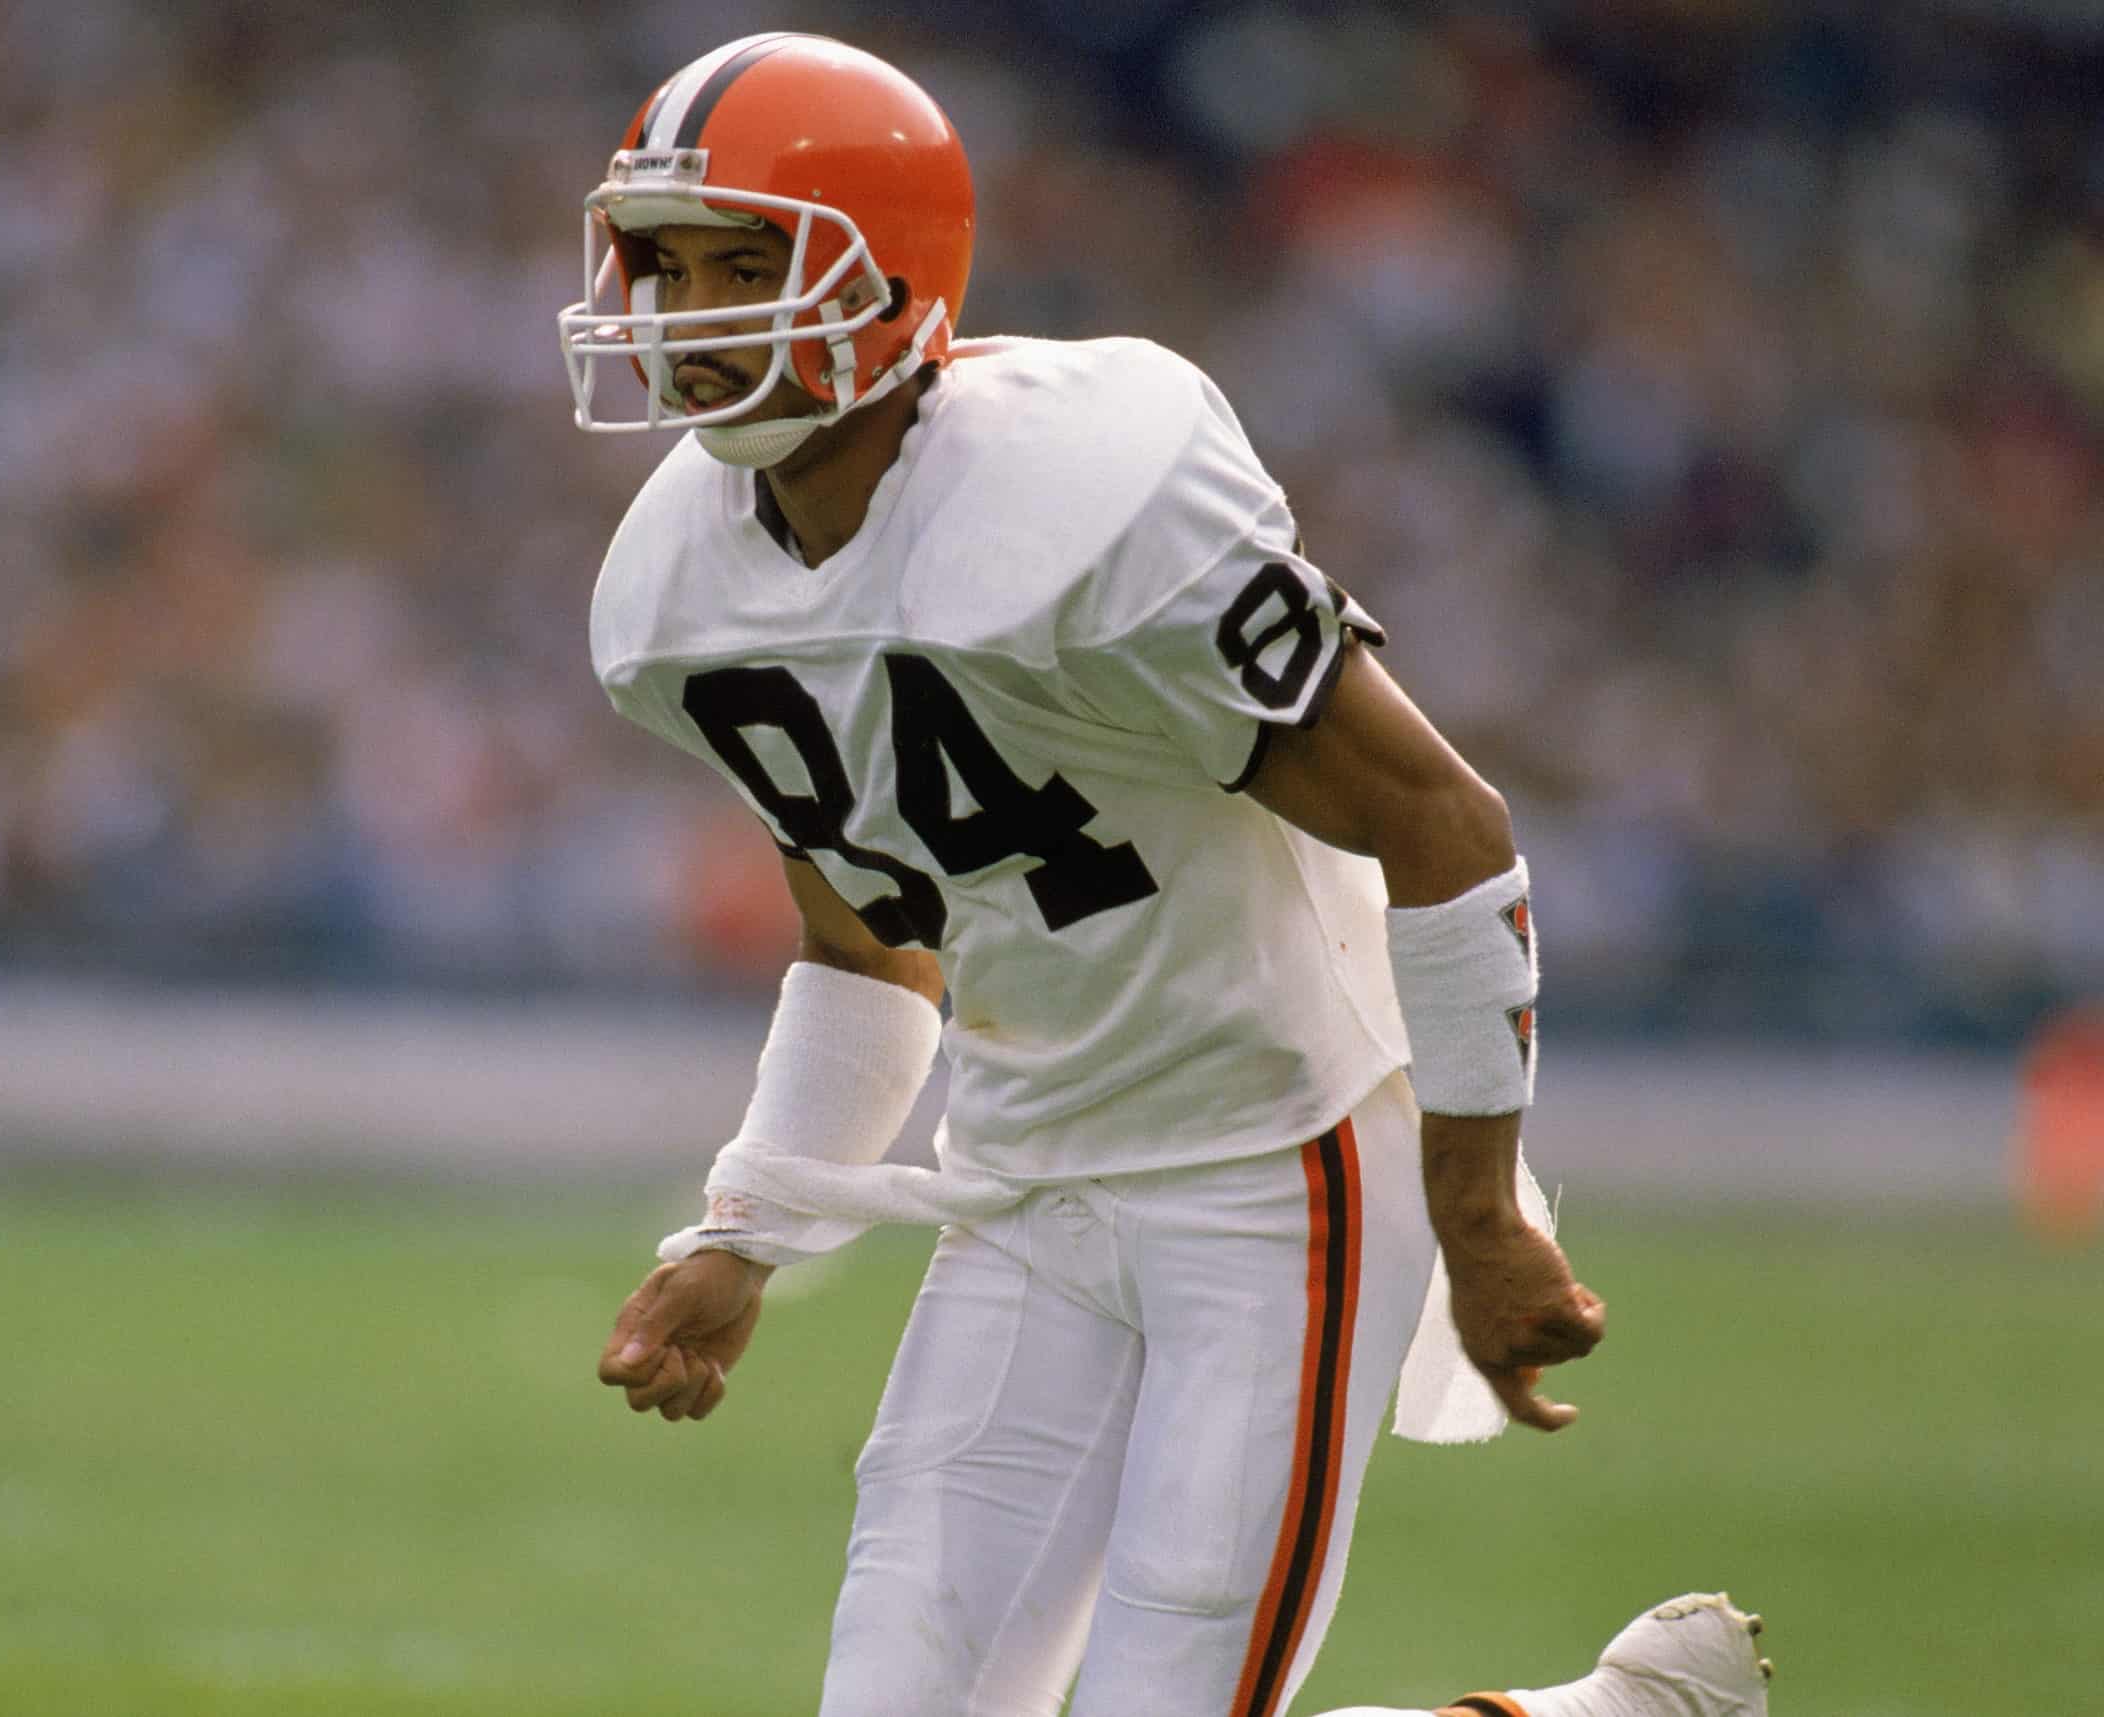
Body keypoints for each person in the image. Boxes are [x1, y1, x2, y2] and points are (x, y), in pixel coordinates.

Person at [565, 34, 1773, 1717]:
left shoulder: (1086, 494)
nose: (691, 314)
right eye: (668, 264)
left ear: (890, 274)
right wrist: (752, 1223)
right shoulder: (679, 592)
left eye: (746, 263)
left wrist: (1479, 1203)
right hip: (1026, 1184)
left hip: (1272, 1165)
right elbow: (869, 947)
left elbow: (1444, 823)